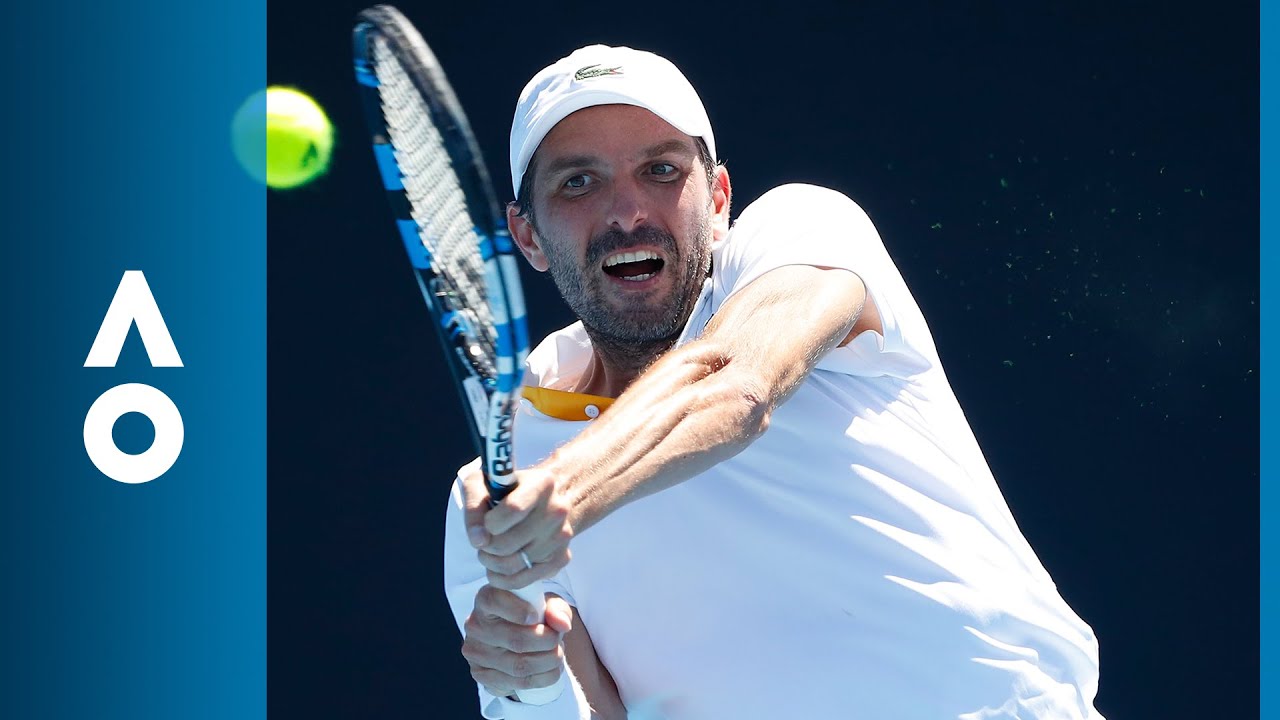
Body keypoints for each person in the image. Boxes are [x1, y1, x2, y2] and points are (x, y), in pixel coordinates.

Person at [442, 45, 1106, 720]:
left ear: (721, 198)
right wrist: (531, 683)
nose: (627, 212)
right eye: (578, 183)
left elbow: (736, 381)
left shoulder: (805, 230)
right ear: (526, 235)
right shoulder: (487, 499)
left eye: (661, 169)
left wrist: (567, 487)